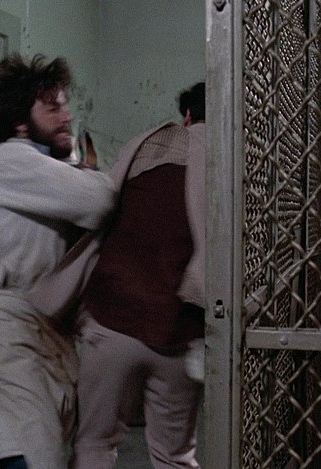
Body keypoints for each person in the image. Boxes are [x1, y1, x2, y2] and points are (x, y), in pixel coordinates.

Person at [0, 53, 117, 469]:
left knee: (41, 444)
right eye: (52, 108)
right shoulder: (9, 159)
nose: (66, 116)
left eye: (65, 105)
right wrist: (91, 173)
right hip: (11, 323)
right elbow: (100, 200)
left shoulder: (48, 166)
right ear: (19, 121)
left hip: (48, 325)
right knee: (28, 448)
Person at [71, 82, 207, 469]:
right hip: (180, 329)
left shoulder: (142, 147)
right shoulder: (231, 164)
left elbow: (100, 210)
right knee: (175, 454)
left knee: (95, 443)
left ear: (187, 116)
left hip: (114, 317)